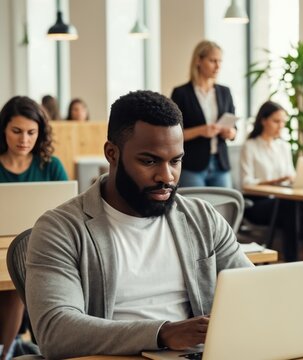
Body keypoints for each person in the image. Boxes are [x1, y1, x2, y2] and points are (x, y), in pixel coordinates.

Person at [25, 90, 252, 359]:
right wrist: (163, 333)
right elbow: (56, 331)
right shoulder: (61, 229)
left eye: (176, 161)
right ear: (112, 153)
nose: (166, 176)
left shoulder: (202, 218)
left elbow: (252, 292)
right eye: (149, 161)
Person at [0, 96, 67, 359]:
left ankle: (5, 353)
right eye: (16, 131)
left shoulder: (50, 166)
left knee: (18, 281)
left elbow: (66, 212)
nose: (24, 140)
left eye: (31, 132)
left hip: (39, 247)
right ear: (3, 129)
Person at [240, 101, 303, 262]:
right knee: (291, 206)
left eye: (283, 122)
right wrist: (273, 181)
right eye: (276, 121)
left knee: (292, 204)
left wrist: (297, 179)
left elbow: (290, 174)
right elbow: (246, 182)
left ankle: (294, 259)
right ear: (263, 121)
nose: (281, 126)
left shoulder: (283, 146)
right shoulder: (250, 146)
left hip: (283, 202)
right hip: (257, 204)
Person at [171, 40, 237, 188]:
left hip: (220, 164)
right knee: (193, 209)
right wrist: (201, 131)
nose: (218, 66)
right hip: (192, 165)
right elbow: (173, 133)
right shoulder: (181, 93)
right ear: (198, 61)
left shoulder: (225, 92)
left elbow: (234, 130)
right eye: (213, 61)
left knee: (224, 210)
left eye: (220, 61)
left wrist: (230, 133)